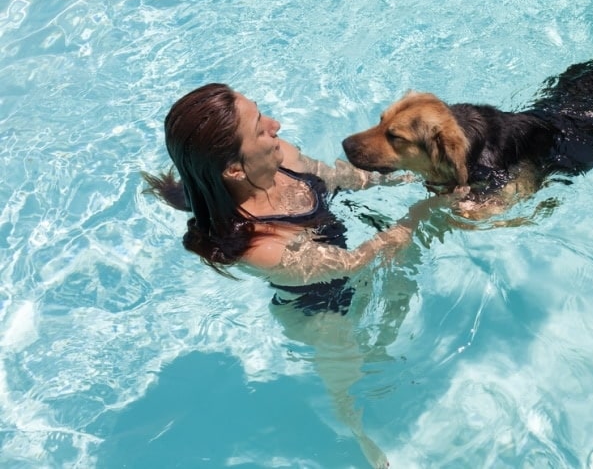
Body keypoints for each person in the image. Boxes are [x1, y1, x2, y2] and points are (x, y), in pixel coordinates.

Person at [143, 82, 443, 468]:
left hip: (347, 268)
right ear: (235, 168)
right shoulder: (260, 244)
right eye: (259, 128)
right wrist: (421, 212)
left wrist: (408, 175)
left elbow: (338, 177)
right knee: (345, 381)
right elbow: (351, 263)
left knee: (394, 307)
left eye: (261, 112)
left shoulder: (279, 155)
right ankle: (359, 435)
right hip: (318, 310)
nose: (276, 125)